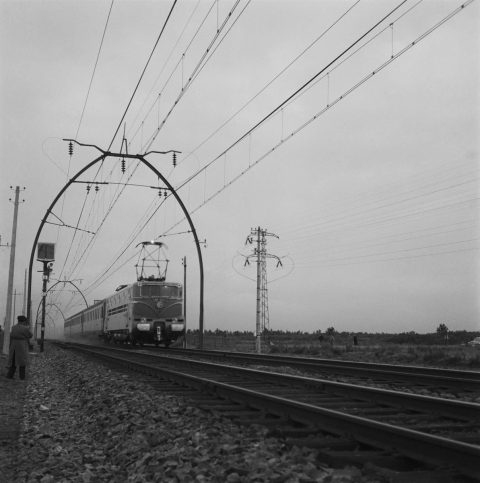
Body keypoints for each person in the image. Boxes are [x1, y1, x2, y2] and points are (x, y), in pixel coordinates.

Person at [6, 315, 32, 380]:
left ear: (18, 320)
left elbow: (11, 335)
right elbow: (30, 335)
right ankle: (22, 377)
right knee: (22, 362)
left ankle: (9, 375)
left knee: (13, 362)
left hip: (14, 346)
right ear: (24, 321)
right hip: (22, 346)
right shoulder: (25, 328)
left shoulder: (13, 327)